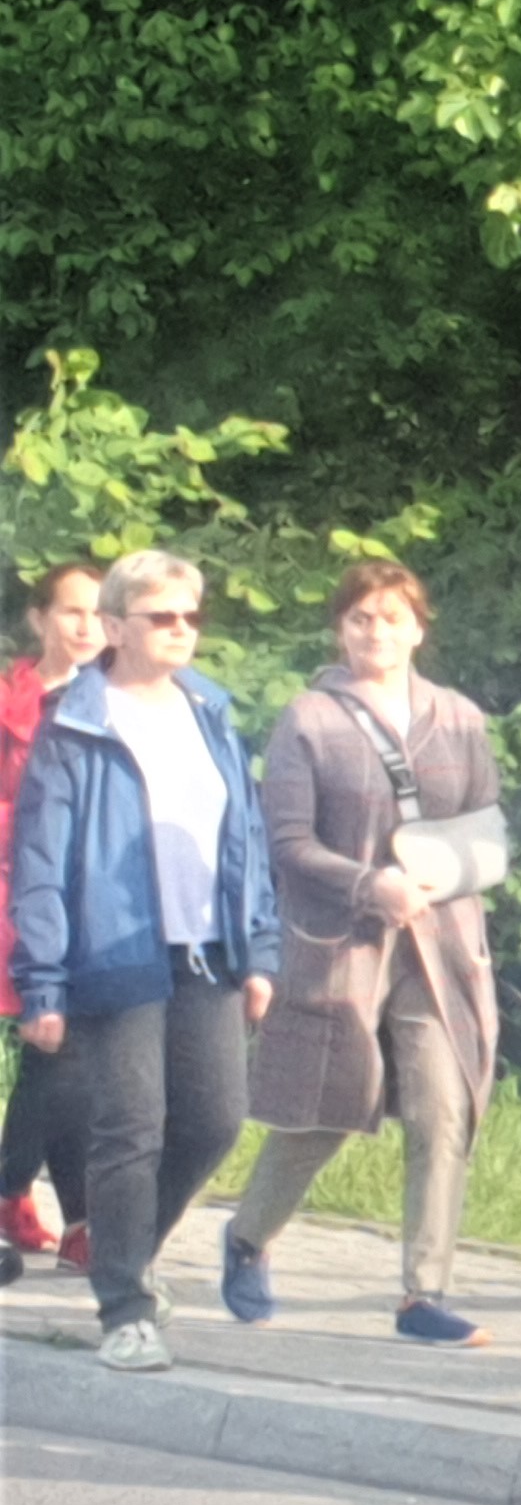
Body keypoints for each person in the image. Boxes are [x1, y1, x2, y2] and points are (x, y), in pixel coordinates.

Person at [222, 561, 503, 1345]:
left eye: (391, 617)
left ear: (419, 629)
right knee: (329, 1110)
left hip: (440, 944)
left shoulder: (459, 717)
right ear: (340, 630)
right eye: (360, 618)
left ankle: (423, 1295)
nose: (376, 631)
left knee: (444, 1111)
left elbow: (485, 828)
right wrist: (368, 883)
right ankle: (247, 1236)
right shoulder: (308, 719)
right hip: (342, 943)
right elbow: (287, 842)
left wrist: (441, 877)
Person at [16, 550, 280, 1373]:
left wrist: (260, 949)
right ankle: (125, 1309)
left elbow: (248, 838)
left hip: (209, 954)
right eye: (161, 616)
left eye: (190, 616)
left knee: (215, 1120)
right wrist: (43, 982)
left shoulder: (210, 711)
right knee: (130, 1128)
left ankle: (122, 1252)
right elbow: (41, 861)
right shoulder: (76, 724)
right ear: (116, 625)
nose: (180, 629)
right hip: (115, 953)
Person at [0, 560, 105, 1264]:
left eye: (100, 613)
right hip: (15, 890)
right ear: (40, 618)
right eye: (73, 611)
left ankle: (75, 1220)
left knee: (67, 1051)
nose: (87, 626)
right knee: (58, 1045)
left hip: (85, 897)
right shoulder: (10, 701)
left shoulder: (118, 702)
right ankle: (28, 1197)